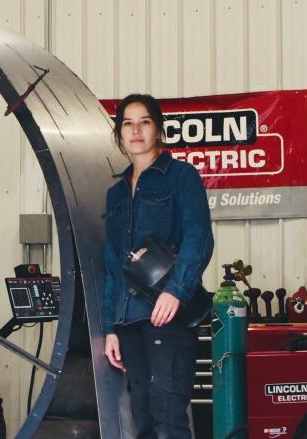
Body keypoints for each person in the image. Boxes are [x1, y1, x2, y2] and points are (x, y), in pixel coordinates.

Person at [101, 93, 214, 439]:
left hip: (169, 315)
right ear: (119, 134)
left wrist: (175, 292)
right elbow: (112, 265)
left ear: (158, 130)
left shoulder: (181, 177)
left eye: (145, 122)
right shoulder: (116, 194)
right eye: (127, 124)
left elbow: (199, 239)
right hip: (129, 320)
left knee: (169, 417)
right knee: (144, 417)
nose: (136, 130)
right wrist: (110, 328)